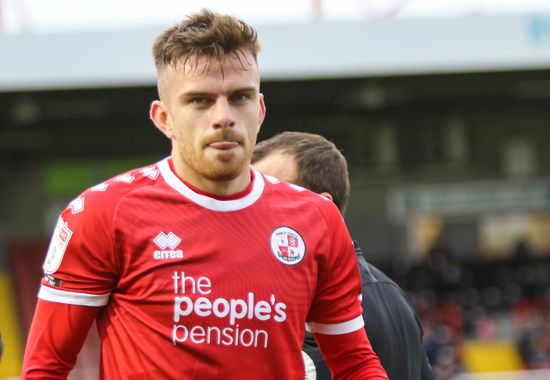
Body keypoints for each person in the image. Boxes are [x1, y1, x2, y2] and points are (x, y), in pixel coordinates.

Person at [21, 10, 387, 379]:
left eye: (240, 97)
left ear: (259, 110)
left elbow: (356, 364)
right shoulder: (102, 212)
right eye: (199, 100)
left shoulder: (317, 219)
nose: (223, 116)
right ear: (163, 117)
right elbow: (46, 368)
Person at [252, 131, 435, 380]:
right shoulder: (395, 296)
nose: (253, 209)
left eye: (272, 195)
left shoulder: (314, 304)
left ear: (320, 206)